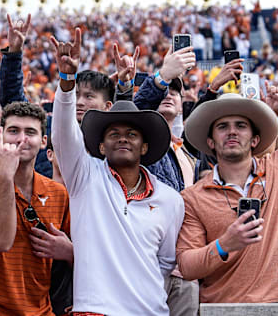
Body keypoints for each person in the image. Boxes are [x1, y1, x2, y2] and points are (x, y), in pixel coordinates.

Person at [177, 5, 278, 303]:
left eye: (241, 125)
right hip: (223, 310)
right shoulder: (193, 197)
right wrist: (225, 244)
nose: (232, 132)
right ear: (210, 142)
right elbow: (186, 265)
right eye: (222, 127)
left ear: (255, 139)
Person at [51, 28, 184, 315]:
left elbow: (164, 263)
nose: (123, 138)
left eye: (132, 134)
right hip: (94, 311)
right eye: (113, 133)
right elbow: (62, 134)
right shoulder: (84, 177)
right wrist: (66, 83)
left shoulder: (171, 200)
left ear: (145, 147)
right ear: (100, 145)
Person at [0, 101, 71, 315]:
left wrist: (70, 252)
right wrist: (5, 176)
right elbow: (0, 241)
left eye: (30, 132)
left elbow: (88, 254)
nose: (22, 139)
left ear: (43, 141)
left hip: (40, 310)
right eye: (14, 131)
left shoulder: (58, 194)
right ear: (0, 136)